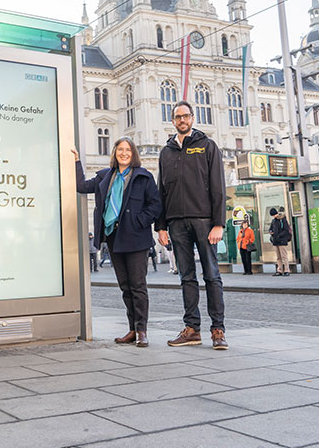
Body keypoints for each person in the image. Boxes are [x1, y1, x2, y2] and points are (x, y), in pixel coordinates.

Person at [73, 138, 161, 348]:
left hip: (136, 237)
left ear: (133, 153)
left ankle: (142, 331)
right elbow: (81, 186)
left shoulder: (143, 176)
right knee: (125, 287)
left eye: (128, 150)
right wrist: (76, 162)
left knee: (138, 286)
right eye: (120, 149)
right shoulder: (105, 176)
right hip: (114, 237)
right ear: (114, 152)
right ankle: (132, 329)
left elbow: (155, 205)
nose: (123, 153)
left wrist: (138, 221)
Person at [155, 101, 229, 350]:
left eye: (185, 116)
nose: (182, 120)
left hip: (204, 221)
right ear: (172, 120)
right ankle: (192, 329)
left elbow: (218, 186)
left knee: (212, 275)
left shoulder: (207, 146)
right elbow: (161, 190)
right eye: (177, 117)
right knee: (186, 277)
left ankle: (218, 329)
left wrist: (219, 223)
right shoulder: (166, 152)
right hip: (176, 222)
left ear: (192, 118)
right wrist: (161, 226)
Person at [268, 207, 292, 277]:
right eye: (272, 216)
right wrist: (270, 231)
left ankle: (287, 270)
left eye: (274, 215)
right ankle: (280, 270)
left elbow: (286, 230)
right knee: (278, 257)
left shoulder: (283, 219)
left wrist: (279, 235)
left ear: (276, 213)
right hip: (275, 241)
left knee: (284, 256)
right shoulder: (274, 221)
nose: (274, 216)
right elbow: (271, 228)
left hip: (282, 241)